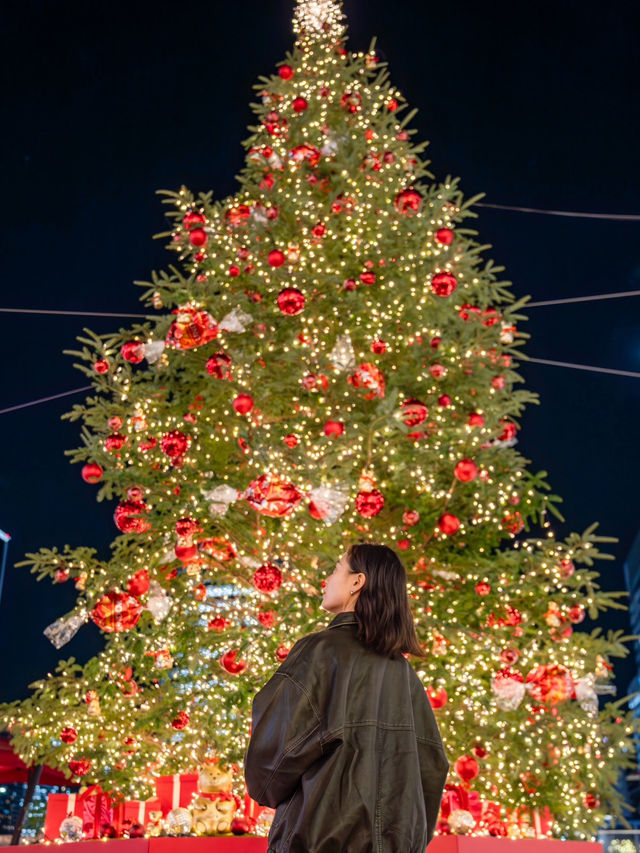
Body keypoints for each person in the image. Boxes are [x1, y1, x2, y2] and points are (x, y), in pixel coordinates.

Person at [244, 542, 450, 853]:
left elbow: (271, 762)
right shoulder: (403, 673)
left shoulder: (320, 652)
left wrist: (265, 790)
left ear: (357, 581)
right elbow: (432, 769)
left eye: (336, 569)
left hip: (318, 843)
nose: (326, 580)